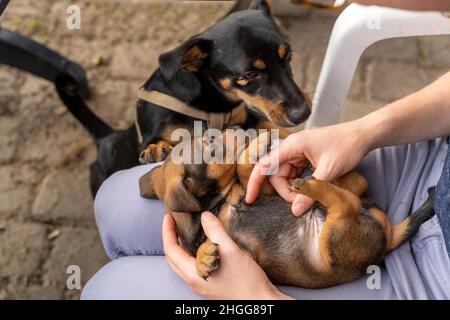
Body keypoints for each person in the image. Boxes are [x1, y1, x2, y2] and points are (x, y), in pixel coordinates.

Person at [81, 1, 450, 300]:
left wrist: (255, 300)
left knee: (106, 290)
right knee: (114, 200)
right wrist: (363, 132)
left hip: (420, 275)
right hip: (429, 166)